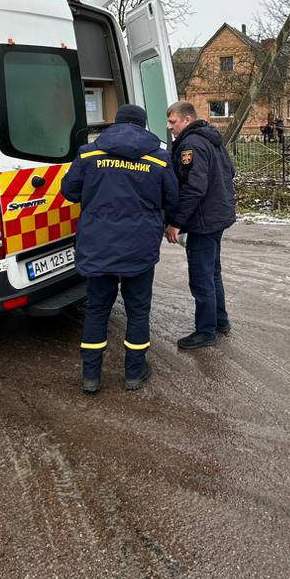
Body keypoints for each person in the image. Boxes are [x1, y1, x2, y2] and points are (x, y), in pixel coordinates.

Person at [60, 104, 178, 394]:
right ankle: (134, 373)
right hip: (140, 248)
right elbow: (172, 199)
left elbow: (69, 191)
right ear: (143, 126)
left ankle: (91, 376)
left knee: (97, 309)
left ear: (116, 123)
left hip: (98, 246)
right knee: (138, 311)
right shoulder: (159, 158)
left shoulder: (89, 154)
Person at [164, 101, 237, 350]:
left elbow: (194, 187)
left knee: (201, 277)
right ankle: (220, 321)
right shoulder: (211, 138)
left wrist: (176, 223)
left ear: (187, 119)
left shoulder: (191, 144)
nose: (169, 126)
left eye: (173, 122)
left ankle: (206, 331)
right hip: (217, 217)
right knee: (213, 272)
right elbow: (230, 171)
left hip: (203, 221)